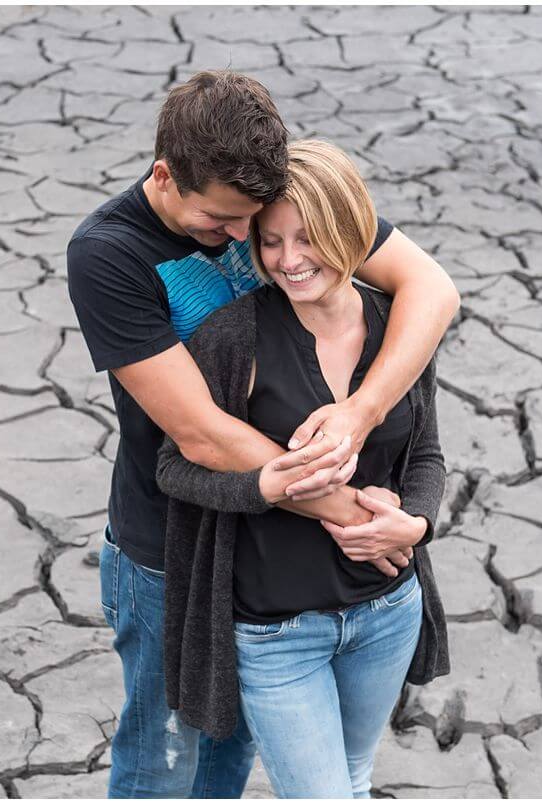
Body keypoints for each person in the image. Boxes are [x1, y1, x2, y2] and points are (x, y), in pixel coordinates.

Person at [66, 71, 458, 798]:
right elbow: (201, 437)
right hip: (173, 554)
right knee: (170, 768)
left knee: (236, 760)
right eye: (222, 223)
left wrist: (360, 412)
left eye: (257, 221)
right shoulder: (109, 254)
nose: (248, 241)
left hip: (279, 559)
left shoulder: (276, 208)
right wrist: (367, 521)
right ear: (164, 176)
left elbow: (431, 289)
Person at [155, 139, 449, 798]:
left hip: (386, 614)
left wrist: (417, 526)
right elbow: (174, 468)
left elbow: (424, 451)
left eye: (308, 239)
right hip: (275, 633)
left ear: (351, 230)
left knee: (352, 777)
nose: (288, 261)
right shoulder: (232, 339)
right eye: (270, 242)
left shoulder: (398, 327)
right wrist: (271, 484)